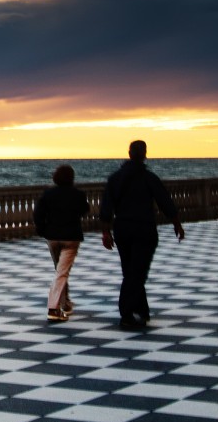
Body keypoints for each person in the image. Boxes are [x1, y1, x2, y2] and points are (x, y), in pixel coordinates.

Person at [100, 140, 183, 329]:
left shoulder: (115, 179)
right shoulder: (149, 178)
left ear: (129, 153)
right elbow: (165, 202)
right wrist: (176, 223)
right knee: (137, 272)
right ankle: (126, 313)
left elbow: (106, 208)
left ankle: (142, 309)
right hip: (144, 230)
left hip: (123, 230)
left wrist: (106, 232)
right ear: (145, 154)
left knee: (131, 270)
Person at [33, 164, 88, 322]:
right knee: (62, 272)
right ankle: (53, 308)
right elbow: (84, 210)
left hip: (52, 237)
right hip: (71, 238)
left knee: (60, 271)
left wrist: (42, 230)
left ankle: (65, 303)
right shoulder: (78, 194)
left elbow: (38, 213)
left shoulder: (48, 194)